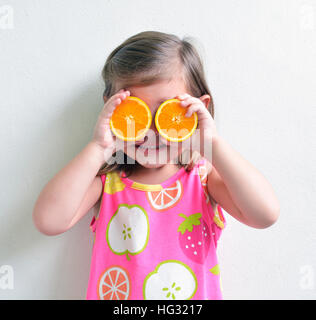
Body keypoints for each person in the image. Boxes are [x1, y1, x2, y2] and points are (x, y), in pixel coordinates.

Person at [32, 31, 280, 300]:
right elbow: (49, 221)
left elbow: (265, 214)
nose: (150, 131)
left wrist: (212, 144)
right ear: (111, 112)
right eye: (134, 113)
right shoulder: (108, 184)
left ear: (200, 108)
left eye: (167, 112)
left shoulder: (202, 179)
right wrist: (99, 147)